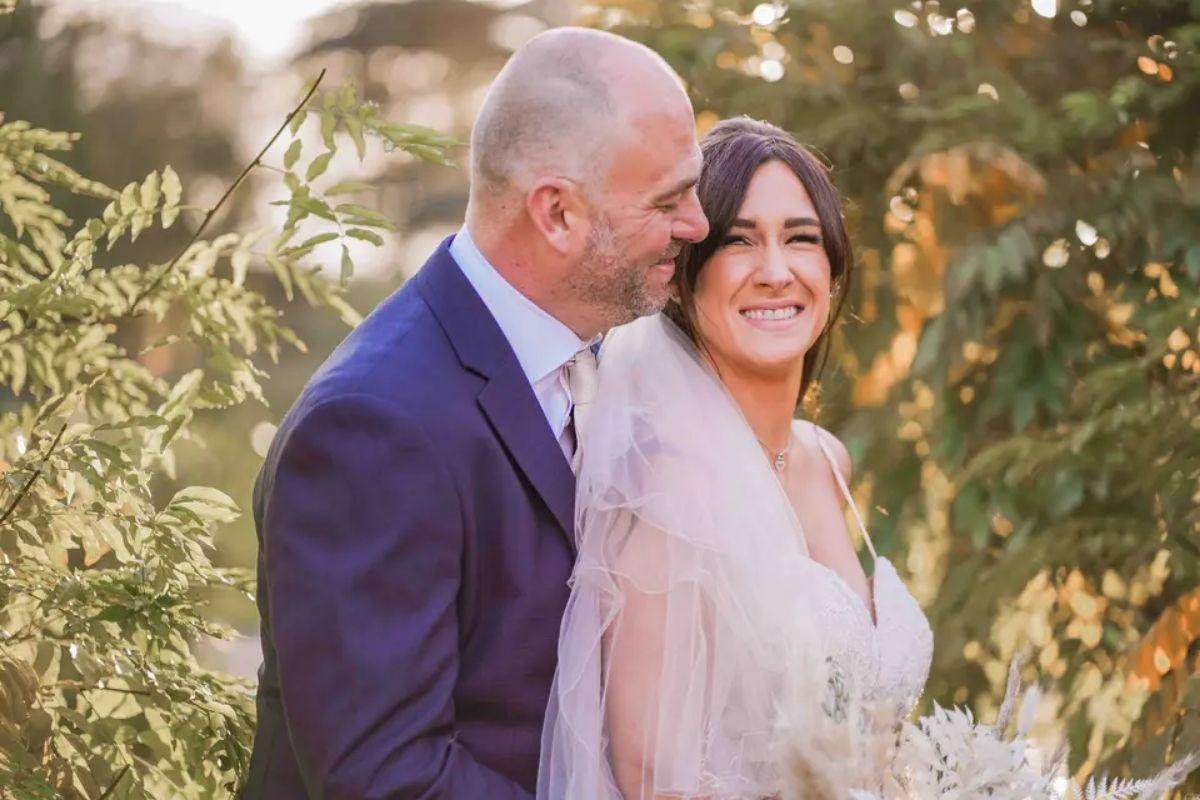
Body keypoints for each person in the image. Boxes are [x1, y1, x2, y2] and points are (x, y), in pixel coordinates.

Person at [240, 27, 708, 799]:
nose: (694, 223)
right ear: (556, 214)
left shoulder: (601, 365)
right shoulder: (372, 427)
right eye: (669, 199)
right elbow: (386, 777)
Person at [538, 118, 934, 799]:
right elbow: (651, 779)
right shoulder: (666, 495)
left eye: (801, 239)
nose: (777, 272)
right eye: (738, 242)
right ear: (685, 282)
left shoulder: (824, 460)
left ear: (832, 269)